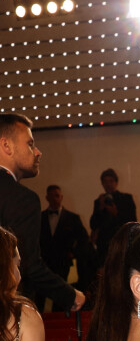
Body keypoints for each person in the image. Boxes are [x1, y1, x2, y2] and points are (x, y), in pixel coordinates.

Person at [0, 113, 85, 312]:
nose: (38, 152)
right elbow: (27, 266)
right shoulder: (22, 198)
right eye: (30, 144)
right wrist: (71, 295)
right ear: (6, 146)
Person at [37, 185, 93, 312]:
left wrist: (73, 253)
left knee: (61, 294)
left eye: (57, 195)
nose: (54, 199)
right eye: (51, 196)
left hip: (63, 263)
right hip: (43, 263)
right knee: (40, 296)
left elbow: (84, 240)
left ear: (61, 197)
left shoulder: (73, 218)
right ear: (47, 197)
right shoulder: (40, 217)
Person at [90, 168, 137, 268]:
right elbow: (93, 225)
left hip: (121, 242)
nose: (108, 184)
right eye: (105, 182)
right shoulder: (98, 201)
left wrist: (116, 213)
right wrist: (100, 208)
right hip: (104, 245)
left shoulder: (126, 198)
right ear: (102, 184)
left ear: (116, 182)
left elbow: (133, 221)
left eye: (111, 181)